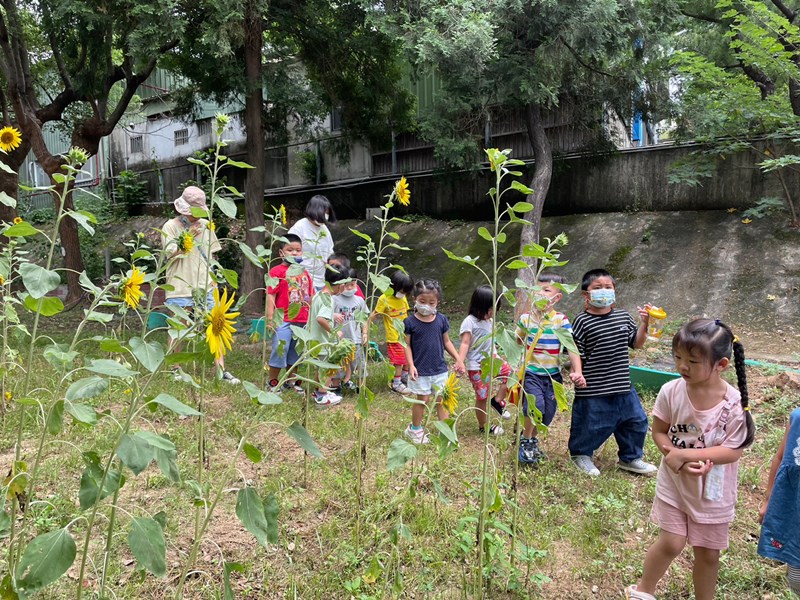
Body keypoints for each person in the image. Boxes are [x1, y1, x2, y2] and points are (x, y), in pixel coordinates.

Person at [625, 319, 756, 600]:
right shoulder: (671, 392)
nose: (682, 366)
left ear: (720, 365)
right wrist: (675, 456)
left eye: (693, 361)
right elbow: (659, 432)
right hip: (675, 483)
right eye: (678, 358)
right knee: (671, 543)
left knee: (708, 553)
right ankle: (642, 591)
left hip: (713, 492)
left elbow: (733, 450)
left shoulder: (734, 404)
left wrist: (688, 454)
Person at [568, 268, 657, 476]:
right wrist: (577, 373)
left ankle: (631, 457)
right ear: (586, 295)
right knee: (590, 423)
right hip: (593, 388)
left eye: (608, 287)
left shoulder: (624, 317)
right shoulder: (581, 321)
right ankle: (581, 455)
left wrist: (645, 323)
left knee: (635, 421)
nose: (604, 291)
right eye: (597, 288)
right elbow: (575, 350)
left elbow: (637, 343)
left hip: (622, 385)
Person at [161, 185, 239, 384]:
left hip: (205, 284)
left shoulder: (206, 224)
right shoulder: (170, 226)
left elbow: (211, 255)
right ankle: (175, 368)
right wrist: (188, 237)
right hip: (180, 284)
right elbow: (170, 253)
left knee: (215, 327)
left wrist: (213, 279)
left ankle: (221, 370)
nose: (195, 216)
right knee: (179, 327)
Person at [515, 274, 585, 465]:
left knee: (548, 413)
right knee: (535, 405)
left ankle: (531, 437)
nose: (540, 294)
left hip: (552, 375)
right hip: (531, 373)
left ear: (557, 297)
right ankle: (526, 442)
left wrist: (577, 371)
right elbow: (517, 340)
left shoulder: (560, 321)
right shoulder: (526, 319)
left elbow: (571, 347)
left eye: (546, 290)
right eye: (537, 289)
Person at [403, 279, 465, 444]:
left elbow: (447, 342)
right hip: (420, 370)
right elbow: (407, 345)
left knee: (442, 399)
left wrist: (458, 359)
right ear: (414, 300)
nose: (427, 305)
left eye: (431, 302)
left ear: (437, 302)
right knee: (422, 400)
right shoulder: (410, 322)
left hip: (439, 369)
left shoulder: (441, 320)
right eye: (422, 302)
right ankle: (414, 429)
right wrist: (411, 365)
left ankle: (445, 430)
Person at [458, 285, 511, 437]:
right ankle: (484, 426)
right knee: (482, 396)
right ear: (480, 306)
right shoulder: (470, 322)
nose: (493, 312)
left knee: (510, 376)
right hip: (477, 366)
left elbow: (491, 342)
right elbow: (465, 343)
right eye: (491, 309)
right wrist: (460, 361)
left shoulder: (490, 321)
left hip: (493, 360)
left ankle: (498, 401)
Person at [758, 406, 800, 597]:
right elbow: (780, 457)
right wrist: (768, 500)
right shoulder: (797, 416)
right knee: (796, 577)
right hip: (794, 507)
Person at [265, 233, 314, 394]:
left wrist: (312, 317)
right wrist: (270, 317)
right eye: (290, 250)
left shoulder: (304, 272)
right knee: (281, 348)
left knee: (296, 351)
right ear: (281, 253)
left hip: (302, 319)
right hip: (283, 319)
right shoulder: (277, 271)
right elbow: (271, 294)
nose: (294, 253)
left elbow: (311, 294)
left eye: (298, 250)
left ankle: (292, 381)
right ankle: (273, 381)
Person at [307, 262, 350, 406]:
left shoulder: (319, 295)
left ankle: (318, 391)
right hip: (323, 342)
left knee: (320, 368)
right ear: (339, 284)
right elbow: (320, 318)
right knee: (327, 369)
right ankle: (322, 396)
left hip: (314, 340)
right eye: (344, 285)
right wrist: (334, 332)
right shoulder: (329, 300)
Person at [370, 270, 414, 395]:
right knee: (399, 361)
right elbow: (375, 313)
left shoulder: (403, 297)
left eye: (406, 292)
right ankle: (396, 383)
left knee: (407, 358)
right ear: (393, 286)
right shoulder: (384, 299)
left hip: (406, 334)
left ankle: (404, 377)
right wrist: (365, 327)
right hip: (394, 337)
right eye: (401, 291)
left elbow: (405, 313)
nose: (403, 294)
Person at [288, 195, 336, 291]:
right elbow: (289, 253)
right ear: (315, 210)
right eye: (324, 212)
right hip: (303, 280)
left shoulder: (324, 229)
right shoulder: (300, 227)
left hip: (322, 280)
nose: (326, 215)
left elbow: (330, 251)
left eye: (327, 212)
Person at [333, 268, 368, 393]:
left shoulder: (359, 301)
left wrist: (364, 333)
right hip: (339, 339)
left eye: (352, 285)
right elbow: (327, 315)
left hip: (356, 338)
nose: (349, 288)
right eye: (346, 285)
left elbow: (365, 319)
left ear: (356, 283)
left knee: (358, 363)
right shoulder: (334, 299)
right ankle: (335, 386)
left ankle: (361, 386)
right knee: (338, 364)